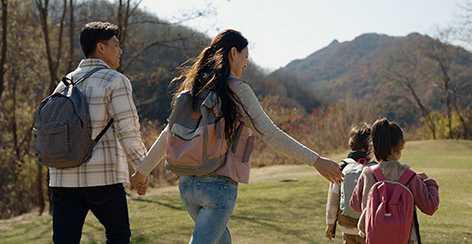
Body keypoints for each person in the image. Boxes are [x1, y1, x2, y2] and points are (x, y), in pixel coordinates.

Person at [130, 29, 344, 244]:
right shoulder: (238, 91)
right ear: (233, 53)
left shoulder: (193, 88)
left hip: (187, 185)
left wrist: (142, 170)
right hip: (218, 188)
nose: (246, 64)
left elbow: (169, 132)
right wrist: (316, 160)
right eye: (245, 56)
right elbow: (270, 134)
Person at [49, 21, 149, 244]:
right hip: (102, 177)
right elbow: (128, 131)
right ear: (100, 47)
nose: (120, 50)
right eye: (115, 45)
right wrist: (142, 168)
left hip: (62, 178)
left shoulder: (64, 83)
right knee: (118, 236)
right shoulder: (116, 81)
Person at [350, 118, 440, 243]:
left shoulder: (368, 174)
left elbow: (355, 205)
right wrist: (430, 183)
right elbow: (430, 207)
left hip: (373, 238)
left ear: (374, 145)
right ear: (401, 145)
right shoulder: (410, 177)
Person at [325, 123, 373, 244]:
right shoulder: (376, 168)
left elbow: (333, 200)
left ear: (351, 144)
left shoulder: (342, 166)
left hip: (347, 226)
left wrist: (330, 224)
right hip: (369, 227)